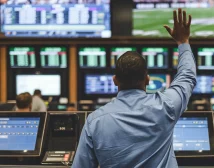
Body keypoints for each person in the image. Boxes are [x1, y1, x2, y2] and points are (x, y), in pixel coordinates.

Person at [72, 8, 196, 168]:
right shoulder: (166, 106)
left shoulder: (94, 121)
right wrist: (183, 42)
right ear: (147, 79)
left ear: (115, 80)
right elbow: (187, 76)